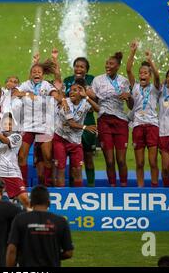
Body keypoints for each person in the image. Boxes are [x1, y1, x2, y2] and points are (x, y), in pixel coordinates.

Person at [13, 55, 62, 187]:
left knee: (47, 157)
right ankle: (22, 185)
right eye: (34, 72)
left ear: (43, 75)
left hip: (44, 126)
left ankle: (48, 185)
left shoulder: (47, 85)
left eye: (39, 72)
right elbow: (15, 93)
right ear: (30, 74)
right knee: (22, 156)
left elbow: (54, 93)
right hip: (27, 126)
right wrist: (28, 94)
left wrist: (58, 98)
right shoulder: (26, 85)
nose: (36, 74)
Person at [91, 52, 133, 187]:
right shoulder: (97, 80)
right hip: (104, 121)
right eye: (107, 63)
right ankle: (113, 188)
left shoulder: (124, 81)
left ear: (118, 66)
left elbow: (130, 106)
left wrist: (129, 96)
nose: (107, 66)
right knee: (109, 160)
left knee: (121, 160)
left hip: (121, 122)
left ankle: (124, 187)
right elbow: (95, 102)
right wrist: (89, 96)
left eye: (111, 64)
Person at [6, 185, 73, 267]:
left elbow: (12, 250)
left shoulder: (20, 219)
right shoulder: (61, 221)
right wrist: (52, 256)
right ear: (48, 203)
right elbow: (69, 252)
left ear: (30, 203)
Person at [126, 42, 161, 187]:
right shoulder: (134, 86)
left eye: (145, 73)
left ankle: (154, 188)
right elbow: (128, 70)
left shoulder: (155, 88)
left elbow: (158, 76)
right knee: (139, 162)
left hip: (152, 126)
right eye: (140, 73)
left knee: (152, 161)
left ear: (150, 75)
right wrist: (133, 52)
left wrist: (150, 60)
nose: (142, 75)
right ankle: (140, 189)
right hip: (138, 126)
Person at [54, 80, 99, 187]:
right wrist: (85, 127)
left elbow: (98, 109)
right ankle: (61, 194)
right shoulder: (65, 103)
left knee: (78, 169)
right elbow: (71, 123)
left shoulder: (84, 103)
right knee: (61, 168)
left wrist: (87, 97)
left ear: (81, 92)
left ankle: (78, 195)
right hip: (61, 138)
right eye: (70, 90)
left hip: (76, 141)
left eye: (75, 90)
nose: (71, 92)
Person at [63, 57, 97, 187]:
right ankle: (74, 187)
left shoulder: (92, 80)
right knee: (73, 159)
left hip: (87, 120)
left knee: (88, 156)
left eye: (82, 67)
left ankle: (90, 186)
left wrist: (86, 94)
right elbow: (64, 99)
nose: (78, 69)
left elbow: (96, 99)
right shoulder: (67, 81)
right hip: (72, 122)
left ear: (86, 70)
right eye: (76, 66)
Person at [0, 113, 30, 209]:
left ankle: (28, 221)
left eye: (10, 124)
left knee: (26, 201)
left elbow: (4, 140)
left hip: (12, 173)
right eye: (5, 124)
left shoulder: (17, 137)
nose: (8, 126)